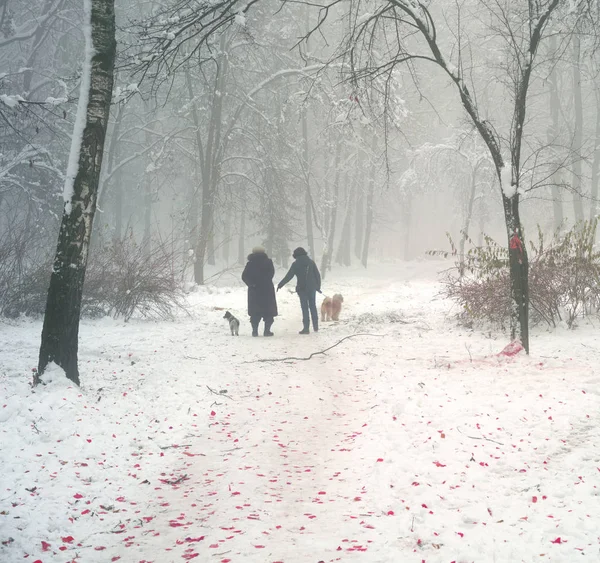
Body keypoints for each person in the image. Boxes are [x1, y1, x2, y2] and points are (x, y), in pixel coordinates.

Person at [277, 247, 321, 334]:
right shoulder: (311, 262)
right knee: (313, 306)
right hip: (311, 288)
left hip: (302, 288)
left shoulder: (295, 264)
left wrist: (280, 284)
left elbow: (289, 276)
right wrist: (318, 286)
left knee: (304, 308)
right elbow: (317, 275)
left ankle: (306, 328)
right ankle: (316, 327)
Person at [242, 246, 278, 337]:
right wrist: (265, 281)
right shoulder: (268, 262)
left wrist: (251, 284)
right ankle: (267, 331)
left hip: (254, 291)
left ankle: (254, 331)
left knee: (255, 312)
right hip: (267, 290)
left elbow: (244, 276)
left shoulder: (250, 263)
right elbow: (271, 273)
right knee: (268, 311)